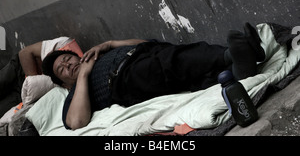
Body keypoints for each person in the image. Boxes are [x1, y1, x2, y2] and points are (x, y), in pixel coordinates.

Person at [42, 23, 265, 131]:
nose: (68, 65)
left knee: (181, 61)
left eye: (68, 60)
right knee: (170, 64)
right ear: (63, 83)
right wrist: (84, 76)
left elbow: (145, 44)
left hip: (144, 55)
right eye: (62, 69)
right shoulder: (73, 95)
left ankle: (238, 69)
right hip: (125, 78)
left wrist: (109, 44)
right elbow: (76, 122)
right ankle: (232, 53)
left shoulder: (97, 54)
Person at [0, 37, 76, 118]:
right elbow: (24, 53)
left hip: (24, 96)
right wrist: (33, 82)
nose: (68, 65)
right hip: (20, 70)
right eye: (67, 59)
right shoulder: (65, 44)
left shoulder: (73, 86)